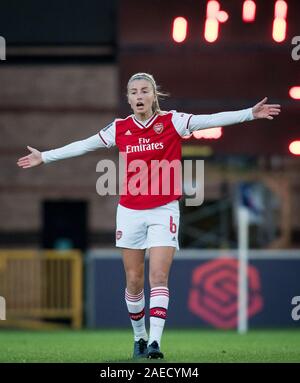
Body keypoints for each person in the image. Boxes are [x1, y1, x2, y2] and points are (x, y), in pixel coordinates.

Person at [17, 72, 281, 359]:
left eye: (145, 91)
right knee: (133, 280)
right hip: (129, 211)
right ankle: (139, 338)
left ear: (154, 95)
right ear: (128, 98)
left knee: (158, 275)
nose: (140, 96)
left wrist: (249, 114)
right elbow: (83, 144)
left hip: (164, 210)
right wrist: (45, 156)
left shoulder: (172, 122)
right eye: (134, 92)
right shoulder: (119, 128)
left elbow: (210, 120)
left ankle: (155, 343)